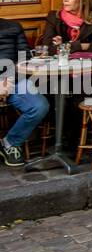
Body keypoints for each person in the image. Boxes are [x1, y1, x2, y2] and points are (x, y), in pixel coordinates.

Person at [0, 17, 49, 166]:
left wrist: (7, 80)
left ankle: (9, 143)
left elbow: (24, 58)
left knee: (39, 106)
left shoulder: (13, 27)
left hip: (13, 79)